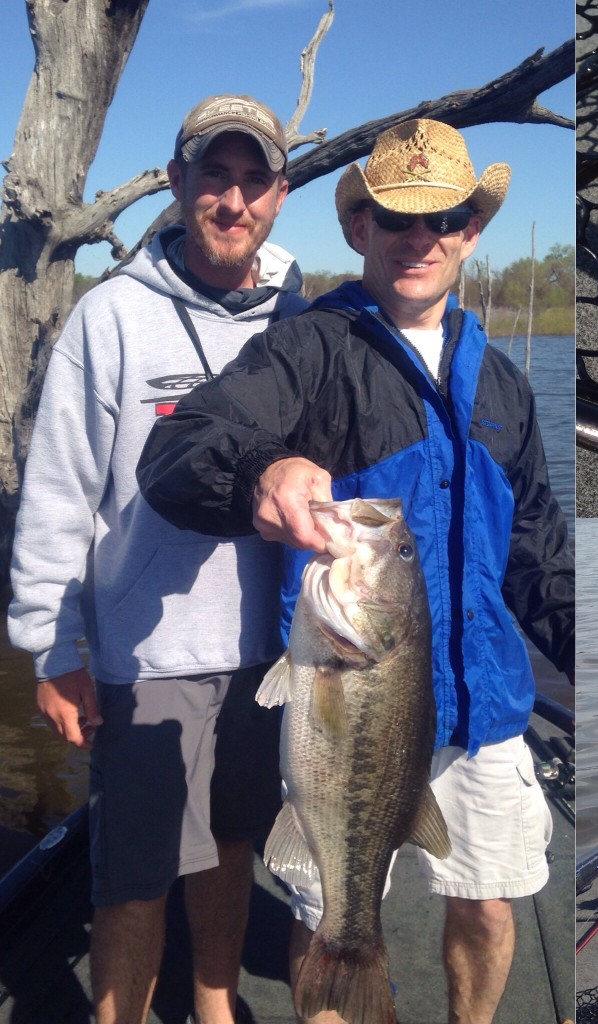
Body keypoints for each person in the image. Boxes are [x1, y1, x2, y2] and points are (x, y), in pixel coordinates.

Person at [135, 118, 574, 1024]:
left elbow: (537, 549)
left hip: (484, 699)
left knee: (489, 905)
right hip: (347, 696)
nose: (421, 239)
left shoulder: (503, 383)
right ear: (358, 229)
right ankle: (344, 970)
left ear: (471, 231)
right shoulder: (309, 349)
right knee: (328, 905)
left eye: (444, 218)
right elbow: (177, 452)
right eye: (395, 218)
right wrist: (263, 468)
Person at [8, 94, 307, 1024]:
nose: (232, 200)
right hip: (147, 655)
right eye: (212, 177)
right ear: (176, 186)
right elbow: (57, 492)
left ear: (279, 194)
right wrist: (52, 647)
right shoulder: (112, 318)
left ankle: (213, 1007)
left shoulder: (301, 312)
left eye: (253, 180)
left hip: (270, 654)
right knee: (134, 879)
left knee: (226, 846)